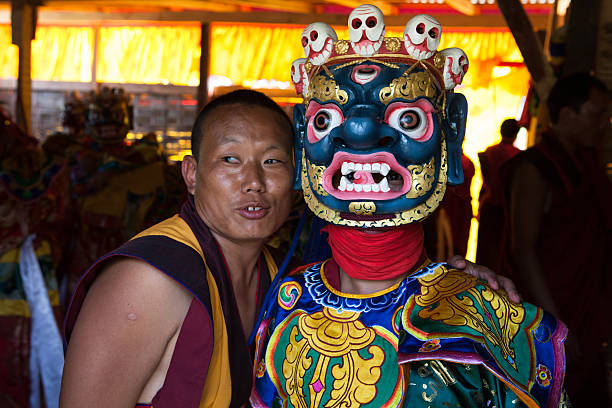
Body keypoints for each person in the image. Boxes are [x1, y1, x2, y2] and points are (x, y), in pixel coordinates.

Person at [61, 88, 518, 407]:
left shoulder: (289, 283)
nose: (254, 183)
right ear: (192, 174)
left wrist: (458, 285)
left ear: (301, 176)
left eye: (274, 161)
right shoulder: (147, 281)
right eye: (230, 160)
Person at [251, 6, 567, 408]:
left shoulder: (488, 317)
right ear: (302, 138)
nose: (360, 133)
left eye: (408, 119)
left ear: (452, 132)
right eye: (326, 120)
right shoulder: (286, 303)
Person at [505, 73, 611, 406]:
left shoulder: (586, 167)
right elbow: (522, 248)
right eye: (596, 115)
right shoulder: (536, 169)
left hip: (585, 310)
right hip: (550, 316)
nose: (603, 125)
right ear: (567, 115)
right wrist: (554, 327)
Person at [476, 119, 521, 270]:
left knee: (485, 253)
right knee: (501, 257)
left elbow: (486, 182)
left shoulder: (489, 151)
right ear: (516, 134)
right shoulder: (519, 156)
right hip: (509, 211)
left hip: (489, 205)